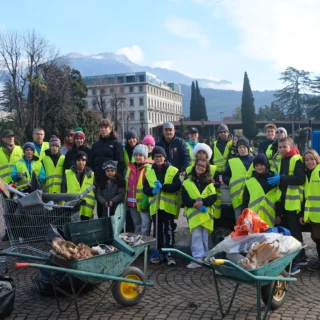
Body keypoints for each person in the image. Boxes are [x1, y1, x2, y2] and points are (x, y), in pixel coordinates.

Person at [268, 137, 306, 273]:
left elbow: (300, 179)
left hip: (293, 202)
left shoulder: (296, 159)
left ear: (291, 146)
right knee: (288, 231)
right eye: (280, 147)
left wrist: (281, 178)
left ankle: (300, 258)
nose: (282, 149)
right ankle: (296, 257)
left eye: (285, 147)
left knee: (295, 232)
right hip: (284, 200)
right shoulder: (282, 160)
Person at [143, 146, 181, 265]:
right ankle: (158, 251)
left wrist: (163, 188)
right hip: (155, 206)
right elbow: (145, 189)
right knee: (157, 231)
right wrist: (152, 191)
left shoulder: (173, 170)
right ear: (153, 158)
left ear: (164, 157)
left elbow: (177, 185)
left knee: (168, 230)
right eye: (156, 157)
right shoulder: (149, 172)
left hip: (168, 207)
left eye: (160, 156)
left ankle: (169, 253)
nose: (158, 158)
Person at [182, 158, 217, 268]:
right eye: (199, 165)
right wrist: (194, 204)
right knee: (196, 236)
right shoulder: (187, 182)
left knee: (205, 237)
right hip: (194, 215)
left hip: (206, 215)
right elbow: (184, 198)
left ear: (206, 169)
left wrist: (203, 203)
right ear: (195, 166)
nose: (200, 167)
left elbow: (213, 196)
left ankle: (206, 257)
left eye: (203, 166)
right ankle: (197, 258)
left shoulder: (209, 181)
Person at [90, 119, 125, 218]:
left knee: (115, 212)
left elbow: (120, 163)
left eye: (105, 127)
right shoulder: (95, 145)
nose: (103, 130)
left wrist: (118, 180)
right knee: (101, 210)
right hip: (100, 182)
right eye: (101, 127)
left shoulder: (116, 144)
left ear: (110, 129)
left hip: (113, 183)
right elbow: (92, 163)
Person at [242, 154, 281, 227]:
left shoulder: (273, 180)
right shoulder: (250, 182)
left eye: (261, 165)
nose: (259, 167)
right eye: (257, 165)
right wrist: (245, 216)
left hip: (270, 217)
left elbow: (278, 199)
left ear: (266, 166)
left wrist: (278, 215)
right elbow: (245, 200)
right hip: (254, 218)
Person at [223, 137, 254, 221]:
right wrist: (231, 182)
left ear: (248, 148)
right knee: (240, 222)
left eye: (244, 147)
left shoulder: (254, 161)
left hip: (252, 196)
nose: (242, 149)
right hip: (237, 197)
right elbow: (225, 176)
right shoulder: (232, 161)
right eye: (240, 147)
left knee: (252, 222)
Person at [126, 144, 153, 235]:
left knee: (145, 225)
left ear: (144, 156)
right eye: (136, 155)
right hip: (132, 202)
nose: (138, 157)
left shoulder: (148, 168)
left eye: (140, 155)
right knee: (137, 225)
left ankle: (145, 245)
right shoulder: (130, 168)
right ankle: (138, 245)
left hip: (143, 203)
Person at [61, 151, 95, 221]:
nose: (81, 162)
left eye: (83, 160)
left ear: (86, 162)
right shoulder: (68, 173)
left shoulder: (91, 174)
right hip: (72, 206)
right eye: (79, 160)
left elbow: (96, 190)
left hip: (86, 208)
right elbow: (63, 188)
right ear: (75, 161)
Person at [301, 150, 320, 267]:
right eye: (306, 160)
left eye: (312, 159)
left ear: (317, 159)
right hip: (314, 215)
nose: (309, 162)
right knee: (316, 238)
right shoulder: (308, 174)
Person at [210, 124, 233, 219]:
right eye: (221, 132)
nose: (223, 133)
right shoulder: (214, 145)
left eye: (225, 132)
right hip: (216, 174)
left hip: (229, 173)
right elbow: (210, 160)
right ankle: (217, 216)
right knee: (219, 196)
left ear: (228, 132)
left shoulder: (233, 143)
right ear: (218, 134)